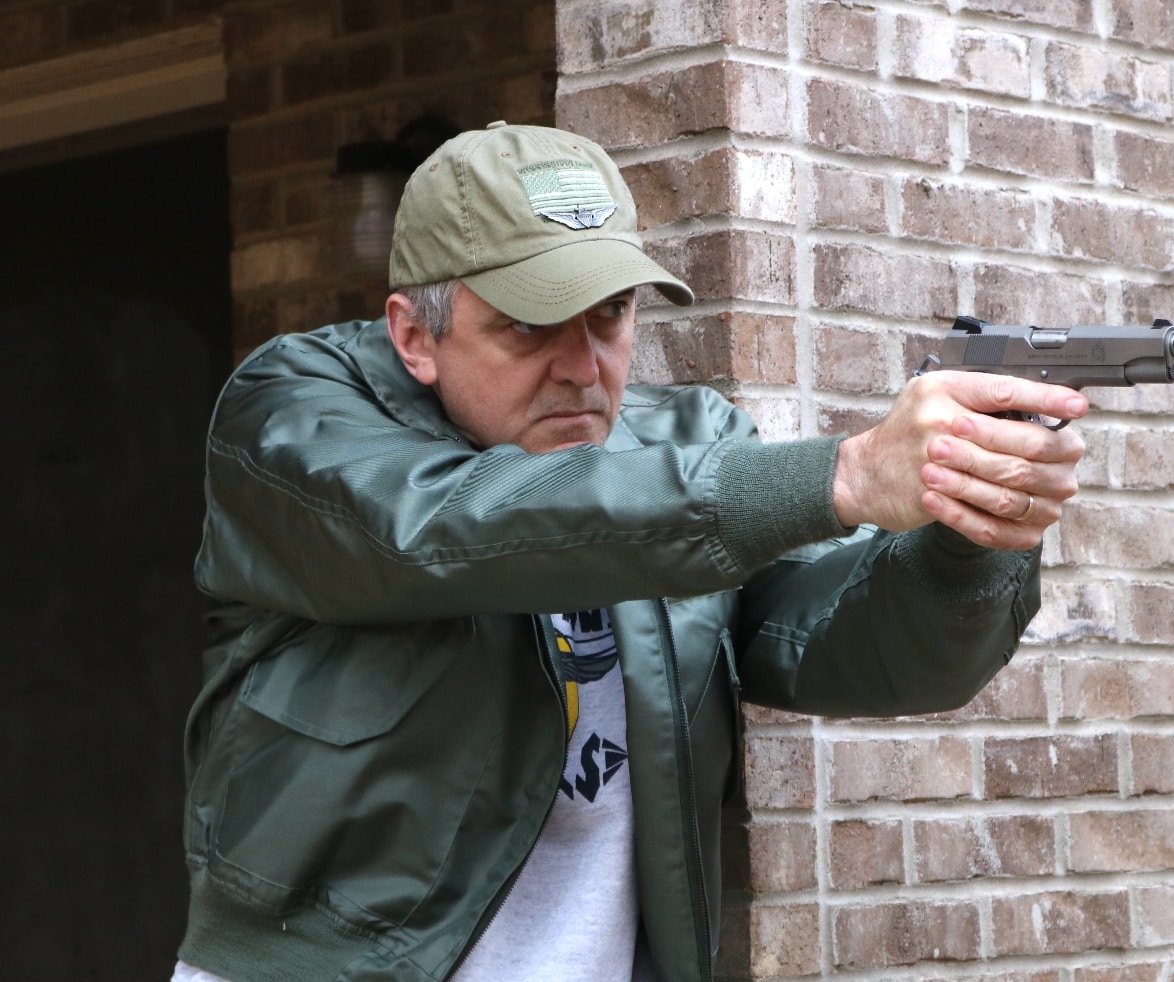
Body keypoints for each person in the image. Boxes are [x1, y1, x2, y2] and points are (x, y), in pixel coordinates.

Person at [172, 121, 1086, 982]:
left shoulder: (682, 442)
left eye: (609, 314)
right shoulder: (292, 413)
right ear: (416, 335)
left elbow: (857, 649)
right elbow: (436, 533)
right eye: (529, 325)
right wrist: (841, 476)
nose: (582, 362)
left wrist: (971, 523)